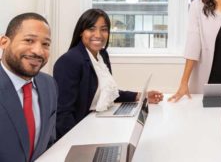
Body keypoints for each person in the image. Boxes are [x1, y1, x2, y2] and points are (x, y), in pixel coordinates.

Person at [54, 9, 163, 139]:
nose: (98, 35)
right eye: (91, 29)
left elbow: (107, 92)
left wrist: (140, 96)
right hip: (80, 131)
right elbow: (63, 115)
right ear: (81, 32)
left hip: (96, 122)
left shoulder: (102, 55)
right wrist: (76, 142)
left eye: (104, 29)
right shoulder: (69, 61)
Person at [0, 13, 58, 161]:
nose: (38, 51)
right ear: (4, 42)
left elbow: (49, 141)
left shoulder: (49, 85)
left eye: (45, 44)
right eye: (29, 40)